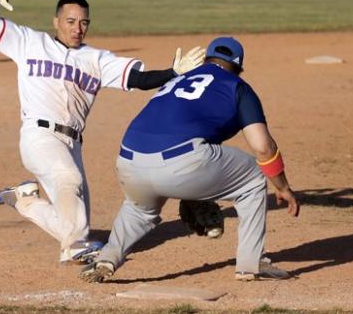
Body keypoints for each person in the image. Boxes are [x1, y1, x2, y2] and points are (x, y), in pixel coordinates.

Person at [0, 0, 206, 265]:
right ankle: (73, 248)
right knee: (69, 182)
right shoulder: (30, 42)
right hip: (39, 136)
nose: (77, 28)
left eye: (84, 22)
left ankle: (24, 200)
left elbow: (139, 80)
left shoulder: (97, 59)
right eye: (70, 21)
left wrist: (173, 72)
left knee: (76, 225)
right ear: (56, 21)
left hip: (72, 145)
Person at [79, 36, 301, 283]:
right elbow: (263, 147)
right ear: (238, 68)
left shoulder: (177, 79)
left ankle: (106, 258)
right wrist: (282, 187)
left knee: (139, 209)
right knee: (256, 178)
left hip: (128, 161)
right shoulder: (237, 86)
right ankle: (252, 263)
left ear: (205, 60)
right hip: (183, 164)